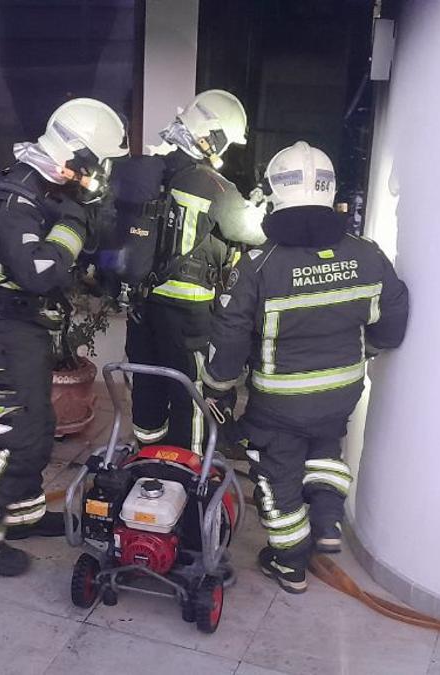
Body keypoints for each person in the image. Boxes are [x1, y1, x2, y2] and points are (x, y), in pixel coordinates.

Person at [201, 141, 409, 593]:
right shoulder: (367, 253)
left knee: (277, 475)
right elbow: (394, 316)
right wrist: (369, 347)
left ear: (276, 193)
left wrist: (217, 386)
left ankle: (290, 563)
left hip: (280, 403)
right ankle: (329, 524)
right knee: (325, 452)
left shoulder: (260, 265)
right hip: (342, 392)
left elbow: (231, 334)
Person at [0, 98, 129, 576]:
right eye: (99, 165)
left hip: (26, 328)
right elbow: (39, 271)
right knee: (15, 435)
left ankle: (22, 514)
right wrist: (75, 225)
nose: (100, 176)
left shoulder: (47, 187)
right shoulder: (18, 199)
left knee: (38, 424)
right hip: (4, 331)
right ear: (80, 157)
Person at [126, 89, 267, 453]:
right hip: (187, 314)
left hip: (141, 305)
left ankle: (147, 457)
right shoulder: (212, 185)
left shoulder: (148, 169)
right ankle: (186, 472)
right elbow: (256, 231)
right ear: (211, 137)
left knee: (148, 385)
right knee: (190, 391)